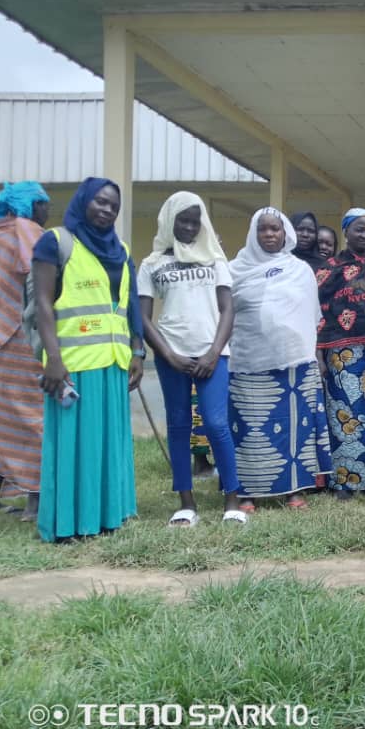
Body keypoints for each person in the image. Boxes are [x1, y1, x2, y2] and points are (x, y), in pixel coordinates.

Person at [33, 177, 143, 542]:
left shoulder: (122, 249)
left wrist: (138, 351)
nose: (107, 209)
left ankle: (110, 517)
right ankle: (67, 524)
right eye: (100, 201)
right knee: (73, 447)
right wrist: (53, 359)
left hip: (113, 362)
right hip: (73, 363)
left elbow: (130, 306)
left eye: (114, 205)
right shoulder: (56, 242)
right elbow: (44, 305)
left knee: (110, 445)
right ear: (84, 201)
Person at [138, 192, 243, 525]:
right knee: (179, 425)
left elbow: (228, 310)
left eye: (195, 221)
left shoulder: (214, 259)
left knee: (216, 424)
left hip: (213, 355)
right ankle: (186, 502)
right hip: (172, 356)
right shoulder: (152, 263)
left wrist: (214, 352)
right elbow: (142, 318)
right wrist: (166, 354)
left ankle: (232, 501)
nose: (189, 227)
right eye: (182, 220)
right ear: (169, 221)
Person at [228, 207, 331, 512]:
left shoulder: (299, 269)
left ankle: (293, 492)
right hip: (247, 363)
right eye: (264, 229)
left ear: (286, 233)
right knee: (247, 430)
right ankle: (246, 493)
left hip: (294, 363)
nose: (270, 234)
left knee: (293, 429)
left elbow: (311, 316)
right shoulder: (235, 269)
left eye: (276, 229)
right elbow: (225, 312)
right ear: (253, 233)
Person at [316, 207, 365, 496]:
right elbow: (320, 313)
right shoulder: (329, 268)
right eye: (358, 228)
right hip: (342, 356)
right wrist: (319, 355)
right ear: (345, 231)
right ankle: (345, 481)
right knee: (345, 418)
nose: (364, 234)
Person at [0, 182, 47, 519]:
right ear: (27, 206)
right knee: (32, 418)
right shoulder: (25, 230)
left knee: (4, 420)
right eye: (43, 205)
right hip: (20, 339)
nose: (48, 212)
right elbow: (38, 280)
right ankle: (36, 499)